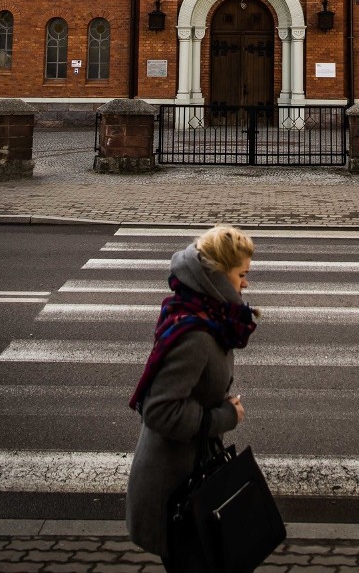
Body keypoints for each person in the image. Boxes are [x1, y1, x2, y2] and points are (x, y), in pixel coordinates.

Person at [126, 224, 258, 571]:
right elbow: (160, 411)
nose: (246, 283)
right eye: (241, 274)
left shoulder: (206, 313)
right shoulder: (197, 333)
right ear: (217, 276)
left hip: (189, 472)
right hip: (174, 490)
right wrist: (225, 417)